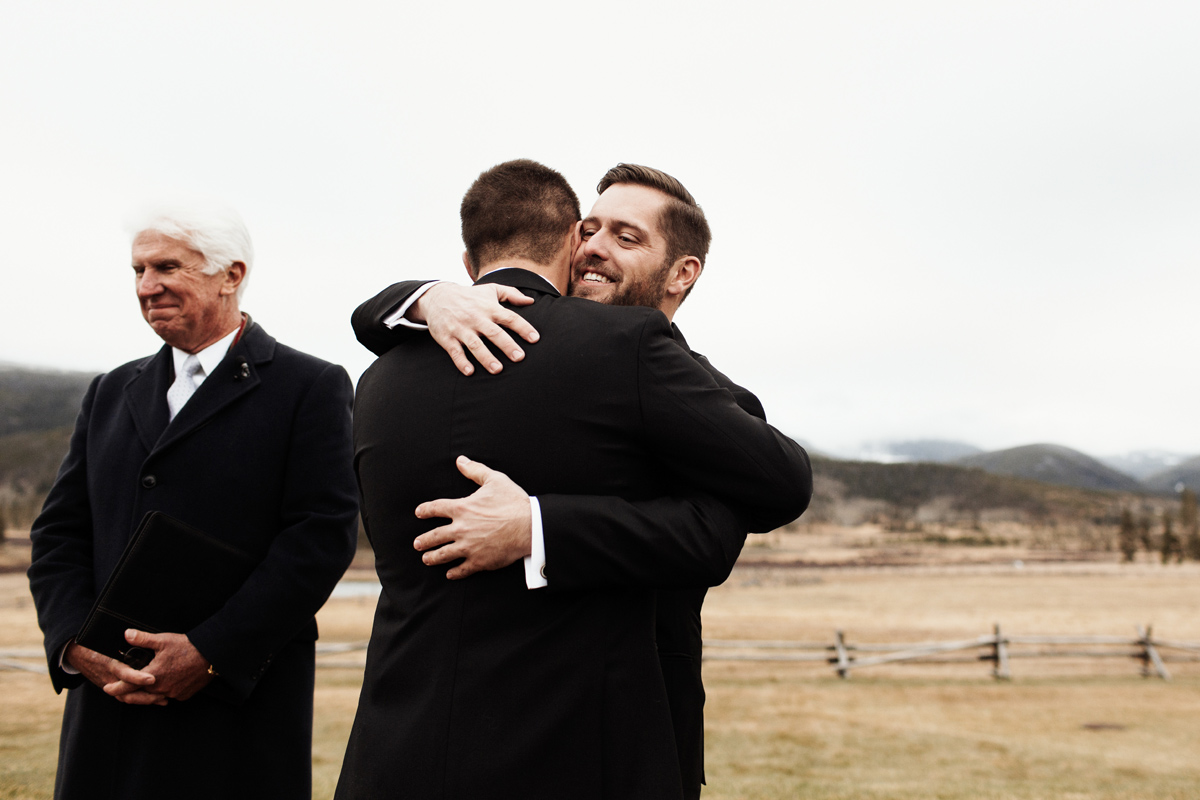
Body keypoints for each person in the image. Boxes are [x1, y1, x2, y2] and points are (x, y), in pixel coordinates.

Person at [337, 159, 810, 800]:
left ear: (682, 273)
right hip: (555, 752)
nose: (593, 249)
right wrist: (424, 295)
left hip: (569, 741)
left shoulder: (382, 376)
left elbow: (730, 526)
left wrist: (536, 525)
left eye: (626, 237)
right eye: (589, 230)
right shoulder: (446, 330)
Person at [26, 202, 359, 800]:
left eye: (166, 267)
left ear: (232, 274)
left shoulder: (309, 386)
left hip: (236, 707)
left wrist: (209, 650)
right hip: (110, 705)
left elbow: (319, 536)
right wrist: (76, 645)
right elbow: (59, 535)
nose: (147, 287)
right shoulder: (109, 390)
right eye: (137, 271)